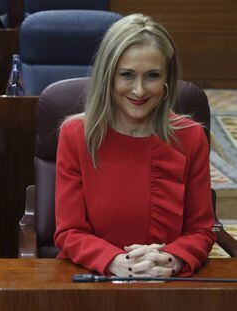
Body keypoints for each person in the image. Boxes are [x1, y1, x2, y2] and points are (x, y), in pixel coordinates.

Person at [54, 14, 216, 277]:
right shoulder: (76, 134)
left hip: (165, 281)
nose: (139, 91)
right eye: (127, 75)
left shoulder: (191, 136)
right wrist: (116, 262)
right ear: (108, 77)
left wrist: (172, 259)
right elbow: (69, 232)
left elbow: (201, 231)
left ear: (167, 79)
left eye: (152, 76)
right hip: (93, 278)